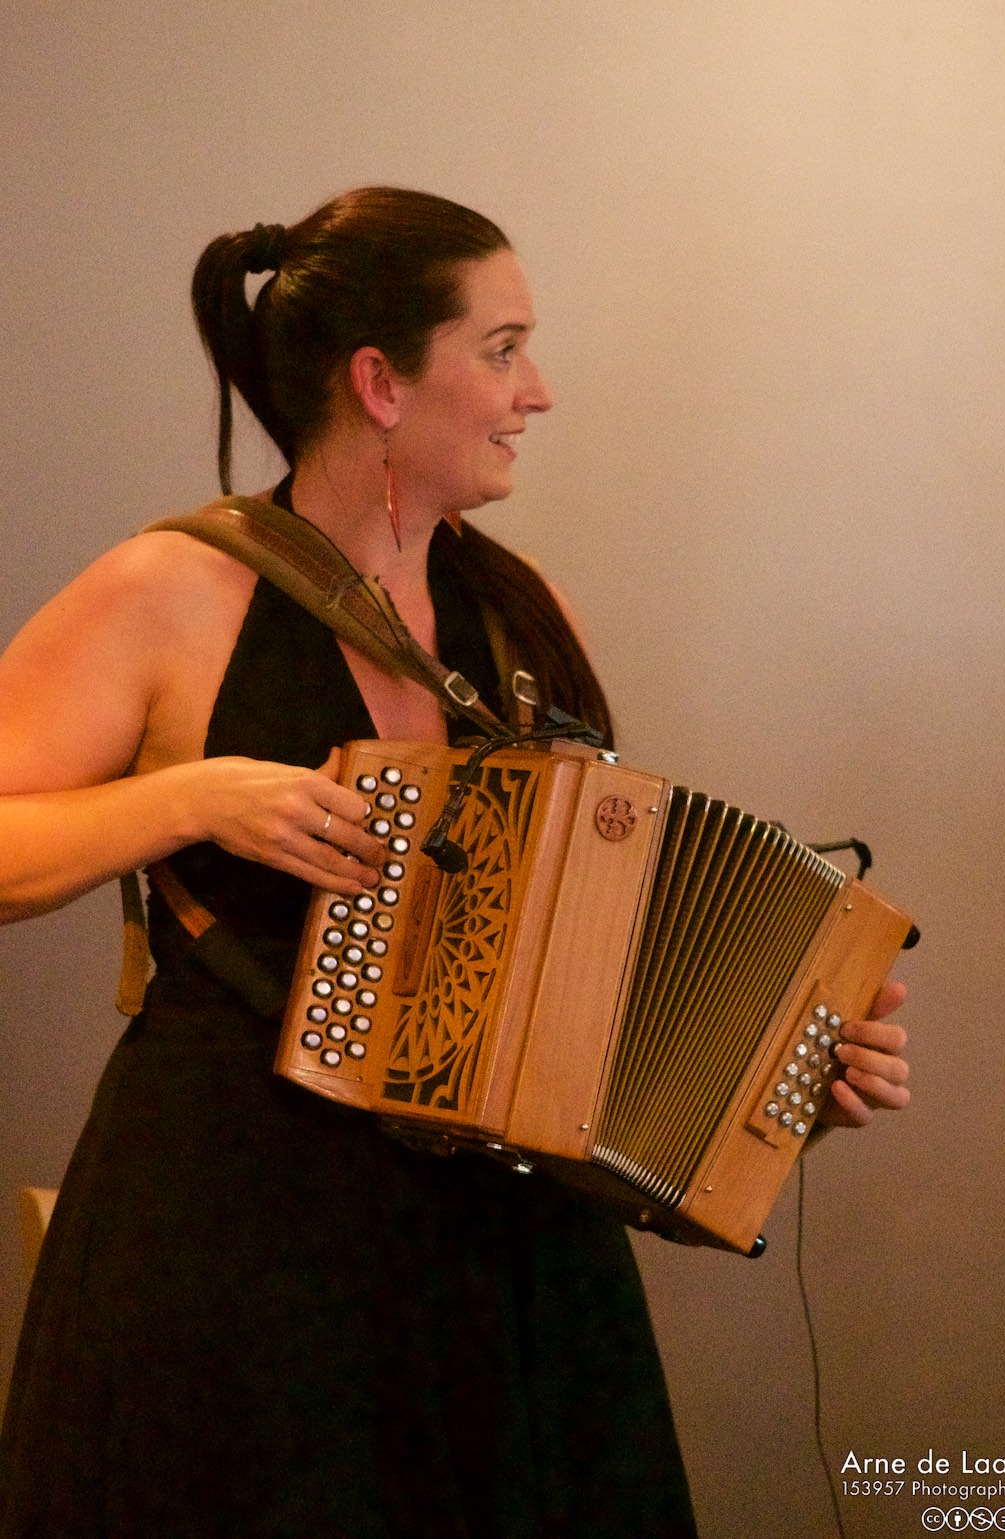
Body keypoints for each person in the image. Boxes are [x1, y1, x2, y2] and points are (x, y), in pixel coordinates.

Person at [0, 187, 911, 1539]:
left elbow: (594, 965)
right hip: (242, 1239)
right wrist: (191, 798)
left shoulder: (521, 615)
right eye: (500, 349)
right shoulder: (173, 589)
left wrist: (779, 1071)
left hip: (507, 1265)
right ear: (381, 383)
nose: (536, 391)